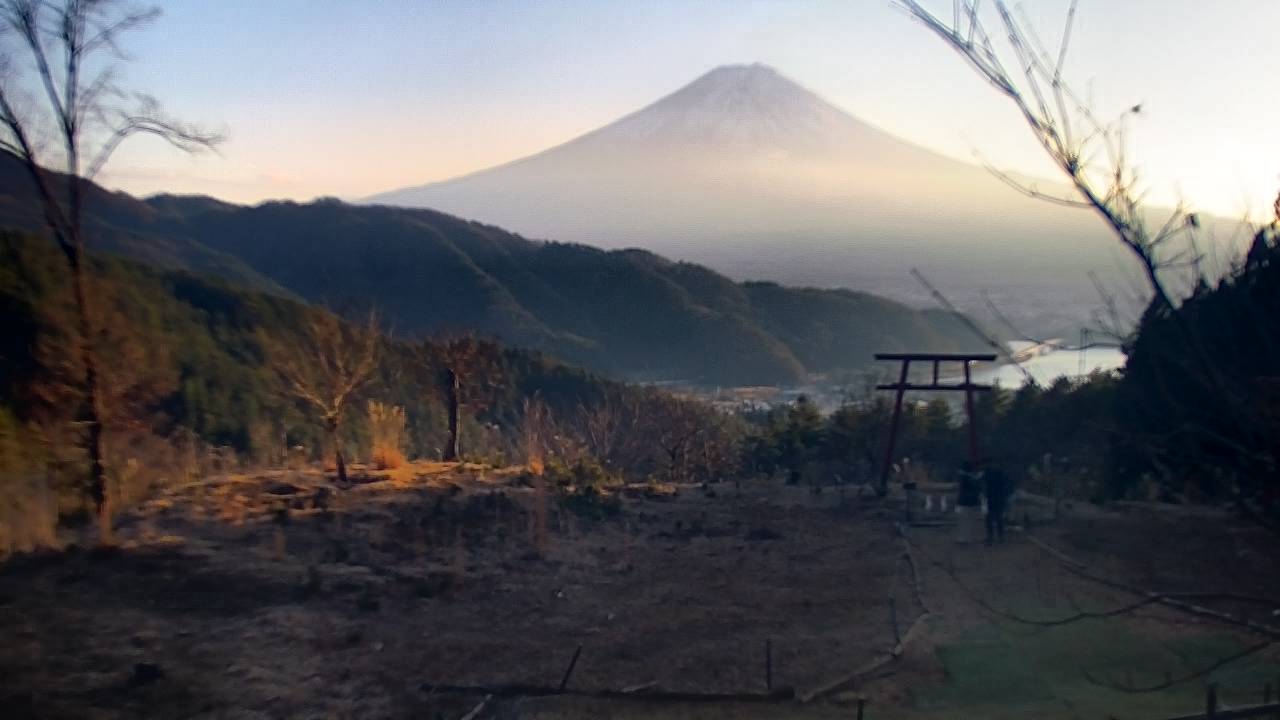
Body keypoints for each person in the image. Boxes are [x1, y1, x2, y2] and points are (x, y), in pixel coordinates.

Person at [981, 460, 1012, 545]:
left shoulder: (997, 473)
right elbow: (985, 486)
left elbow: (1005, 485)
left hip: (997, 498)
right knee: (993, 518)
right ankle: (994, 536)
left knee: (996, 518)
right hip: (994, 498)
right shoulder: (991, 473)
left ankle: (997, 536)